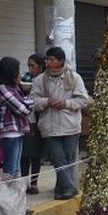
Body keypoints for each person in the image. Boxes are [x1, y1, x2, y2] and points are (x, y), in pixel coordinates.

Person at [31, 46, 90, 200]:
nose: (48, 62)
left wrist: (66, 103)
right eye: (47, 59)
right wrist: (47, 101)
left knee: (69, 160)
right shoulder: (39, 80)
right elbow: (33, 101)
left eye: (52, 59)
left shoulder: (74, 78)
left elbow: (83, 100)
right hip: (49, 127)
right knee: (58, 159)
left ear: (61, 61)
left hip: (70, 126)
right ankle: (70, 189)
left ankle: (60, 189)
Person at [0, 57, 33, 177]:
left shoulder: (14, 87)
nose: (19, 74)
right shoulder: (2, 88)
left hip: (18, 131)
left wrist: (28, 101)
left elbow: (27, 103)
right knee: (10, 170)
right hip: (8, 132)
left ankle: (14, 194)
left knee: (15, 169)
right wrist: (29, 102)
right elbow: (22, 109)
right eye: (17, 70)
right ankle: (8, 194)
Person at [20, 54, 46, 194]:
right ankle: (24, 183)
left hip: (38, 120)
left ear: (41, 66)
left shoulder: (44, 80)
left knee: (36, 154)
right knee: (25, 154)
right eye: (29, 65)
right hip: (26, 120)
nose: (30, 69)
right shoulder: (25, 77)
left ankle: (34, 182)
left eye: (33, 66)